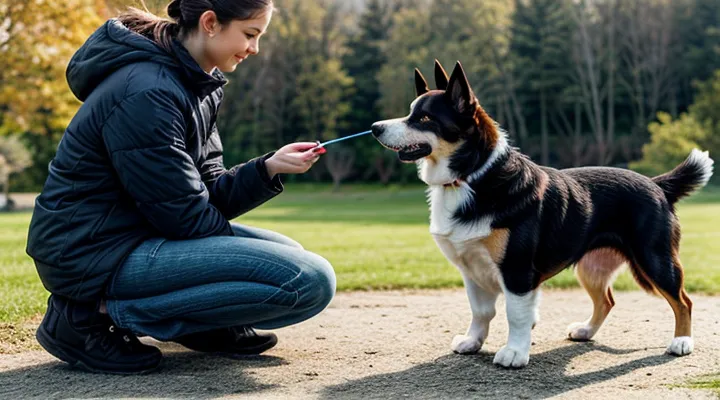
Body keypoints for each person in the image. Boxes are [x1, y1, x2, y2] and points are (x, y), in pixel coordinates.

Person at [26, 0, 336, 375]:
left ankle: (201, 324)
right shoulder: (147, 91)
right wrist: (238, 260)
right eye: (250, 34)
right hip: (91, 253)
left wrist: (268, 168)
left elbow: (203, 190)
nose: (255, 48)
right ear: (210, 23)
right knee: (308, 279)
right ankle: (86, 315)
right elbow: (185, 216)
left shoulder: (198, 85)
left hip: (138, 235)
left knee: (289, 254)